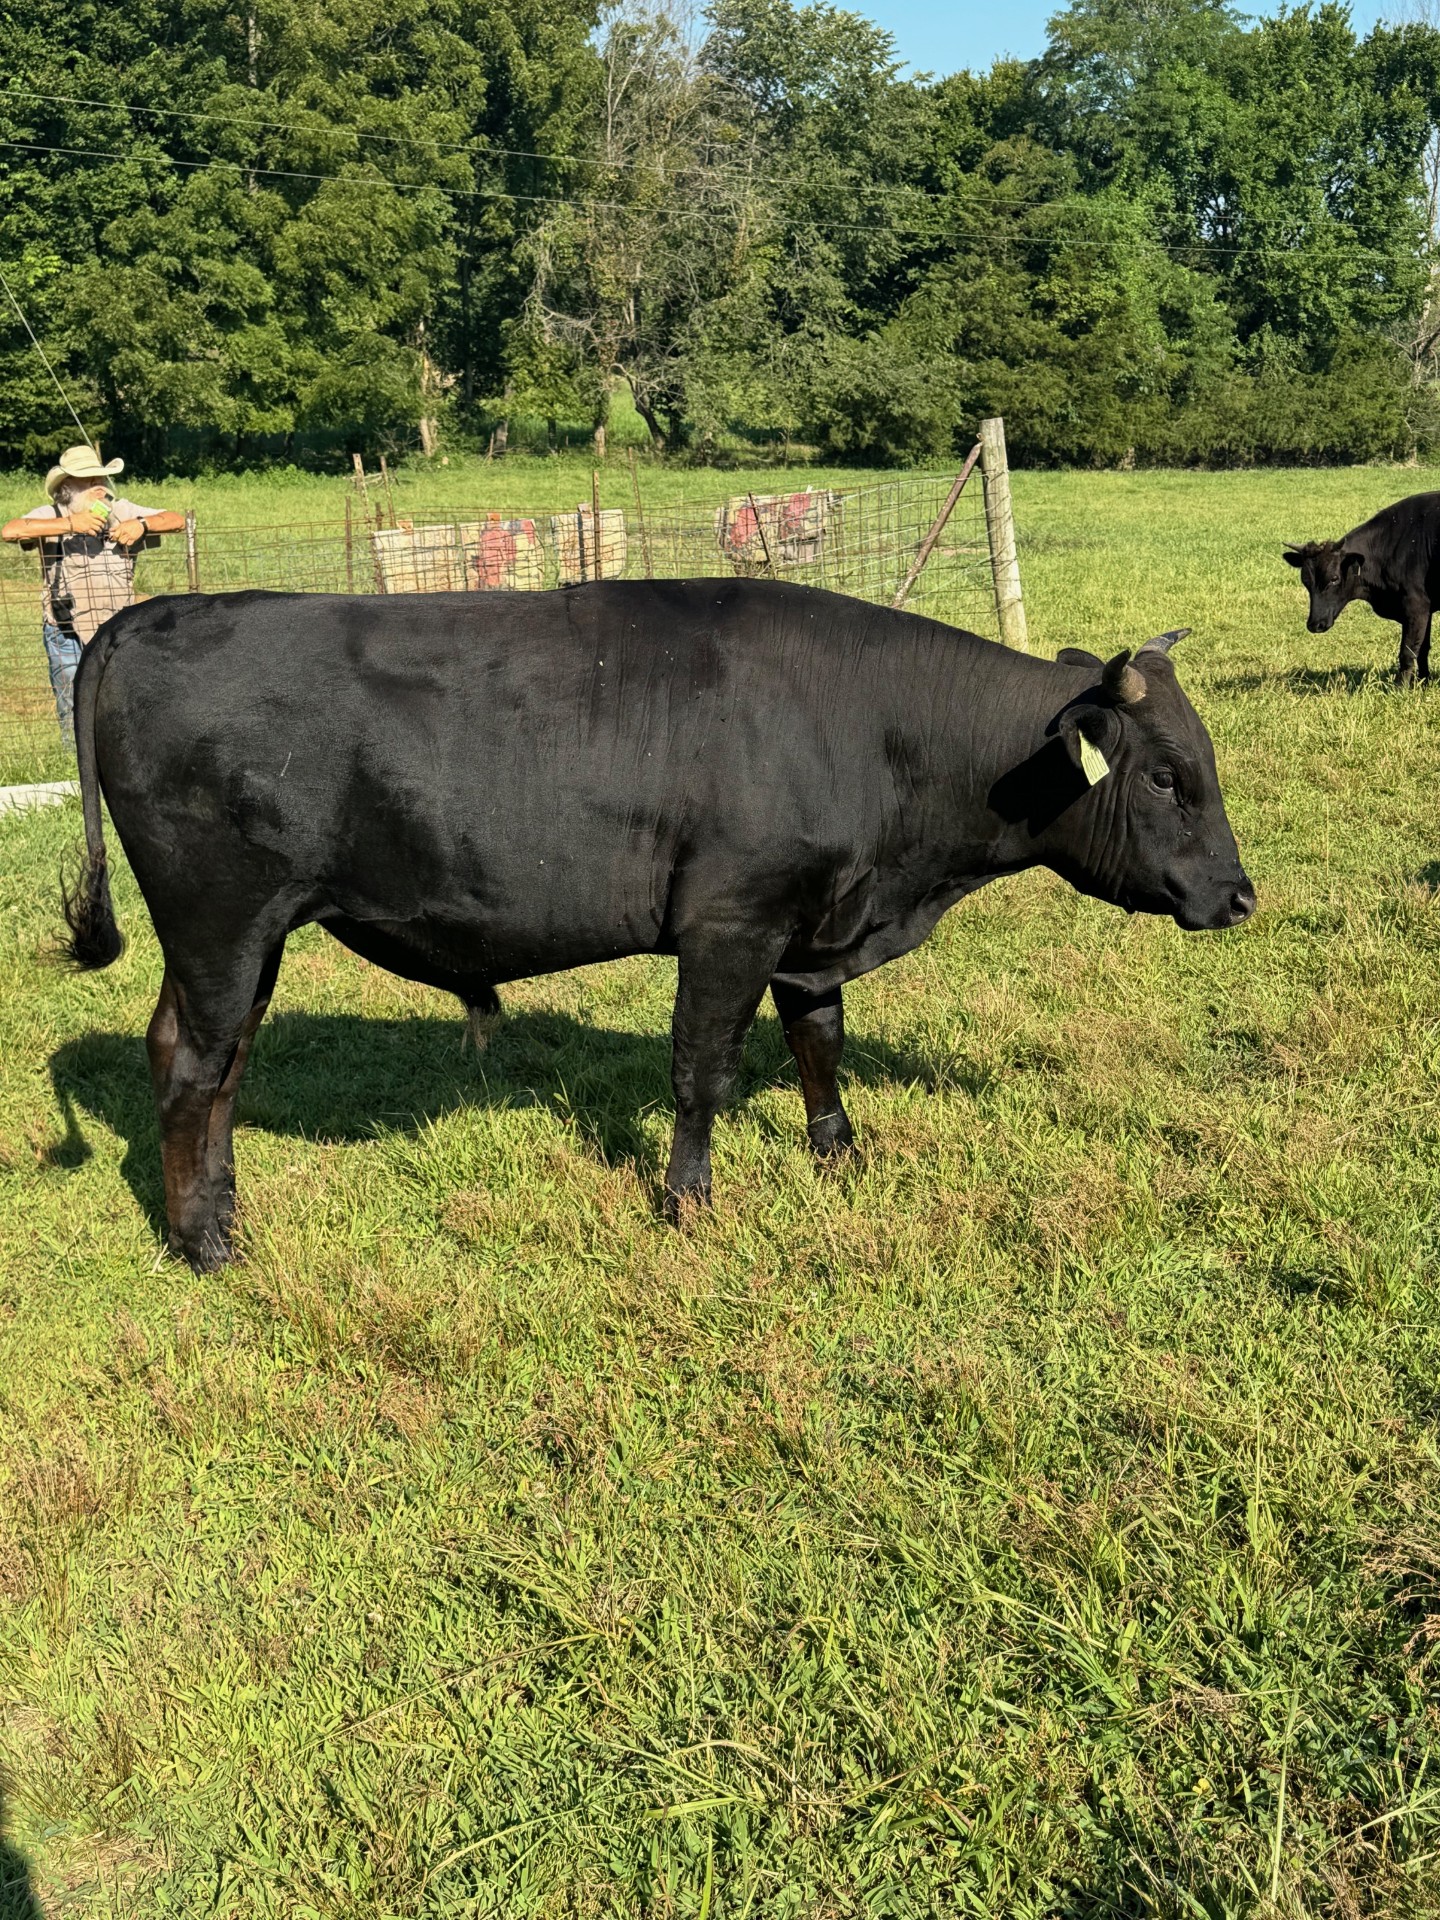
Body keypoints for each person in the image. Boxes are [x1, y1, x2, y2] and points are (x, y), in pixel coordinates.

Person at [1, 445, 184, 745]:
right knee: (73, 707)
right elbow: (10, 530)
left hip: (120, 629)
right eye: (88, 481)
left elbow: (177, 520)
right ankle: (74, 768)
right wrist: (72, 525)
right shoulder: (53, 514)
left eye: (101, 478)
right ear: (67, 488)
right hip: (66, 631)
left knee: (123, 704)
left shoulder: (121, 510)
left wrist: (141, 525)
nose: (99, 487)